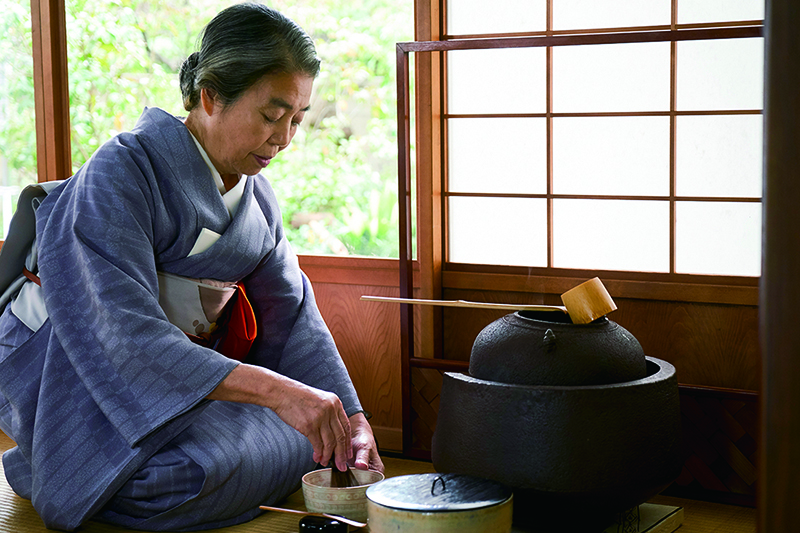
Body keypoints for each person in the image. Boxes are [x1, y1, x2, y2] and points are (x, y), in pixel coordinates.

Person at [0, 3, 382, 531]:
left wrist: (353, 418)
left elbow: (293, 317)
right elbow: (120, 332)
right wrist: (279, 392)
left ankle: (94, 470)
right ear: (211, 95)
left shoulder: (258, 201)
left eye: (296, 119)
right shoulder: (121, 172)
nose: (285, 138)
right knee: (178, 476)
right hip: (72, 368)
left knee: (320, 439)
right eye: (272, 116)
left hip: (169, 382)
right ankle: (57, 459)